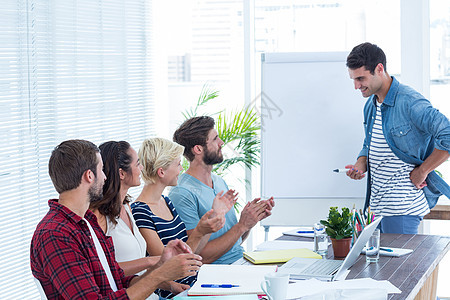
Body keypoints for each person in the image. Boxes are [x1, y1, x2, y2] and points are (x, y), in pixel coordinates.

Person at [30, 139, 202, 299]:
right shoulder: (55, 235)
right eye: (101, 170)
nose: (105, 177)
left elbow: (118, 280)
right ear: (89, 176)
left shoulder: (86, 223)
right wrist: (160, 274)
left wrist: (161, 268)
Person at [345, 42, 450, 234]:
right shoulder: (371, 105)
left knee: (400, 265)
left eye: (361, 78)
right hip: (375, 209)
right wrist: (361, 163)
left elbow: (448, 134)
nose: (356, 86)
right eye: (353, 79)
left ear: (379, 69)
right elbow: (369, 143)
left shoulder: (410, 102)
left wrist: (423, 170)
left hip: (402, 209)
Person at [131, 137, 235, 299]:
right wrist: (201, 231)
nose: (181, 169)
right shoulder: (140, 211)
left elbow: (192, 251)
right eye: (178, 164)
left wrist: (211, 221)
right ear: (161, 172)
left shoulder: (166, 201)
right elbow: (166, 266)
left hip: (197, 283)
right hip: (176, 292)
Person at [89, 141, 189, 298]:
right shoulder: (98, 216)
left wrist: (169, 285)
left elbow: (136, 274)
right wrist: (151, 261)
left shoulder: (127, 206)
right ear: (122, 173)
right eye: (138, 164)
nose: (142, 168)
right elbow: (104, 271)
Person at [169, 116, 275, 264]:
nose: (221, 143)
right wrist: (241, 225)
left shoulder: (219, 182)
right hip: (217, 273)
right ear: (198, 149)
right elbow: (199, 255)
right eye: (215, 139)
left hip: (241, 261)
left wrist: (249, 220)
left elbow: (234, 242)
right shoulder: (182, 193)